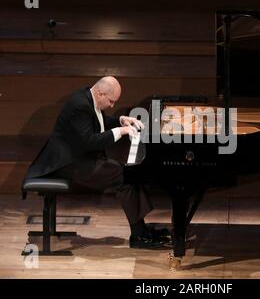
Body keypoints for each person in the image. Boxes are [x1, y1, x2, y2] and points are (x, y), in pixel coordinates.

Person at [25, 76, 168, 248]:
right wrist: (121, 131)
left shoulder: (88, 97)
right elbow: (89, 141)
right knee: (124, 175)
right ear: (100, 93)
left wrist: (120, 119)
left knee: (128, 175)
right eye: (111, 101)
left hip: (77, 157)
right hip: (66, 163)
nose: (112, 105)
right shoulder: (80, 105)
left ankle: (141, 231)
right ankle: (139, 234)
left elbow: (99, 122)